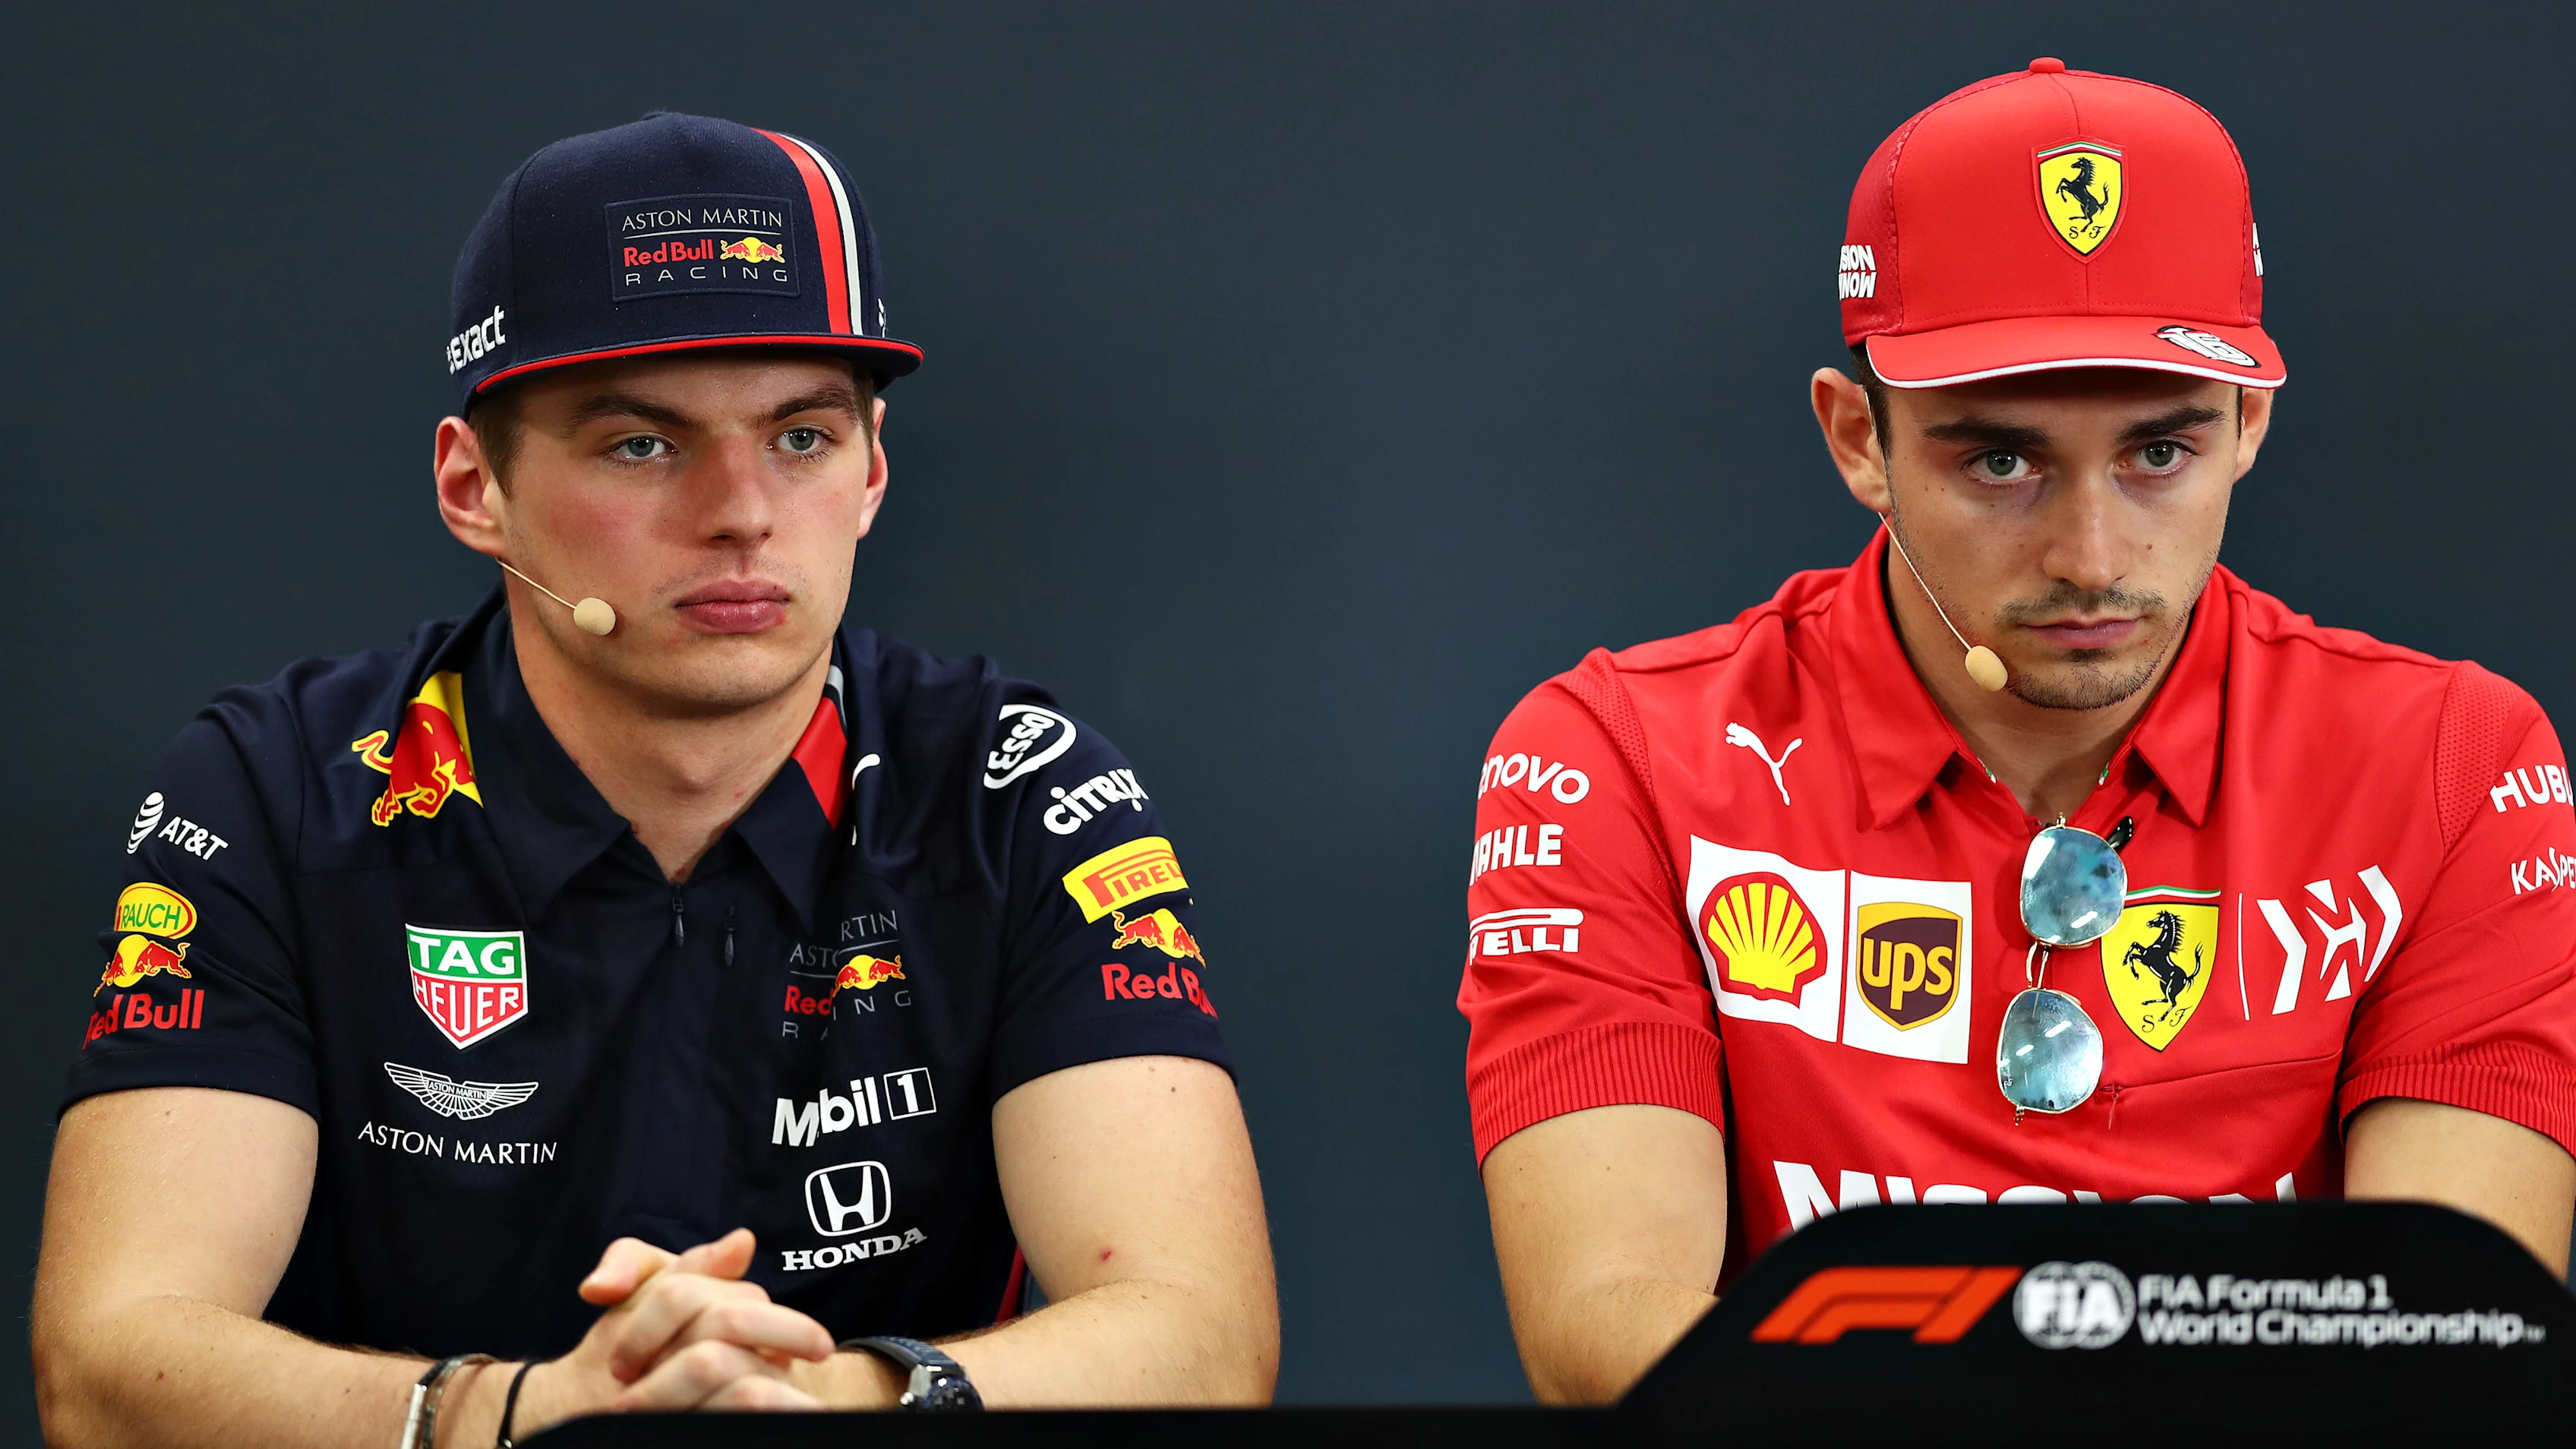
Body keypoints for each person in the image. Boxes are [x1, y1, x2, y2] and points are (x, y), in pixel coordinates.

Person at [34, 112, 1277, 1447]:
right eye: (643, 444)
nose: (741, 507)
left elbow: (1201, 1338)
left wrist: (818, 1398)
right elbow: (108, 1369)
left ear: (872, 475)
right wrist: (531, 1417)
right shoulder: (278, 790)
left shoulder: (1016, 788)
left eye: (802, 436)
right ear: (474, 489)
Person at [1461, 58, 2576, 1403]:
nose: (2094, 555)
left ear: (2250, 428)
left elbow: (2440, 1338)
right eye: (2002, 460)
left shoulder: (2460, 761)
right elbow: (1606, 1333)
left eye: (2160, 451)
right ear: (1856, 439)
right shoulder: (1615, 756)